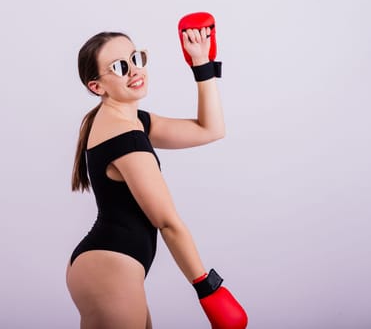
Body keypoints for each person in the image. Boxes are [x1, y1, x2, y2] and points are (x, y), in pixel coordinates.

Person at [66, 18, 247, 329]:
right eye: (120, 67)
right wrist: (207, 288)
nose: (135, 70)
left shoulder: (133, 121)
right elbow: (167, 222)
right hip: (109, 272)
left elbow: (211, 129)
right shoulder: (126, 138)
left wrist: (201, 64)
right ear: (96, 86)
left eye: (136, 58)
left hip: (107, 270)